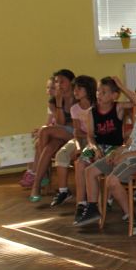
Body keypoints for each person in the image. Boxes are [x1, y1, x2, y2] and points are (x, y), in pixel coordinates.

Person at [77, 82, 136, 230]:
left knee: (112, 181)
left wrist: (126, 154)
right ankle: (92, 209)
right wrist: (117, 152)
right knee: (90, 171)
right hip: (131, 155)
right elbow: (129, 143)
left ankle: (130, 215)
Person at [72, 77, 127, 214]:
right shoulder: (92, 112)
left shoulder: (118, 107)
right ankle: (81, 203)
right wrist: (95, 148)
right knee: (80, 163)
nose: (99, 95)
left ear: (114, 95)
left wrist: (121, 87)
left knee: (107, 162)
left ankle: (106, 199)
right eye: (98, 91)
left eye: (103, 92)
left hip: (114, 148)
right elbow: (90, 136)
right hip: (96, 145)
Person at [46, 75, 97, 207]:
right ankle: (63, 191)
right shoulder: (75, 108)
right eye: (74, 88)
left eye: (79, 89)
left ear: (88, 90)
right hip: (80, 139)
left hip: (95, 142)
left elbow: (96, 133)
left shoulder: (97, 106)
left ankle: (87, 196)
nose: (75, 91)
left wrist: (87, 140)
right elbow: (77, 132)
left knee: (82, 159)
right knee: (61, 154)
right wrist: (78, 147)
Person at [28, 69, 76, 202]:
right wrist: (59, 103)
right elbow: (60, 122)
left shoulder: (78, 97)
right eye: (56, 82)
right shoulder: (53, 101)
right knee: (49, 148)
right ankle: (37, 184)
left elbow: (74, 124)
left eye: (62, 81)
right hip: (61, 132)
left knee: (44, 131)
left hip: (76, 133)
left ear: (71, 82)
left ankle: (41, 179)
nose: (59, 85)